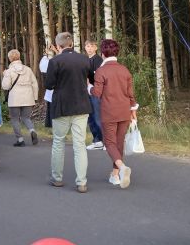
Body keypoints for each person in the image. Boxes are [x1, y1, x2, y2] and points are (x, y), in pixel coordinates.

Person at [45, 32, 93, 193]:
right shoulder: (85, 59)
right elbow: (91, 79)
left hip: (62, 106)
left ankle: (57, 178)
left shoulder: (55, 61)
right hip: (81, 105)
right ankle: (82, 182)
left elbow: (49, 85)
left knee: (59, 142)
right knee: (80, 144)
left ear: (58, 46)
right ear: (72, 44)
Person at [91, 39, 139, 189]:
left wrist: (88, 87)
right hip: (124, 111)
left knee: (109, 143)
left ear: (102, 53)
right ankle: (115, 175)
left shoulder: (101, 71)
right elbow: (130, 94)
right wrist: (133, 109)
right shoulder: (124, 70)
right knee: (119, 144)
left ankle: (122, 168)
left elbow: (97, 93)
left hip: (109, 112)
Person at [1, 49, 39, 147]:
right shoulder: (28, 69)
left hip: (15, 99)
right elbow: (35, 84)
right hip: (28, 98)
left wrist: (5, 75)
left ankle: (20, 140)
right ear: (19, 57)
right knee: (26, 117)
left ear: (10, 59)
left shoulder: (9, 71)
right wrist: (35, 97)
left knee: (15, 119)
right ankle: (32, 130)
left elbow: (5, 86)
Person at [83, 39, 105, 151]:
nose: (90, 48)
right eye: (88, 46)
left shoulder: (98, 60)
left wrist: (88, 78)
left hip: (96, 93)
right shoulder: (85, 60)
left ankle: (106, 141)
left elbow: (98, 77)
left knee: (98, 117)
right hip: (86, 92)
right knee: (90, 118)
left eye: (92, 46)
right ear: (85, 48)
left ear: (96, 48)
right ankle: (97, 141)